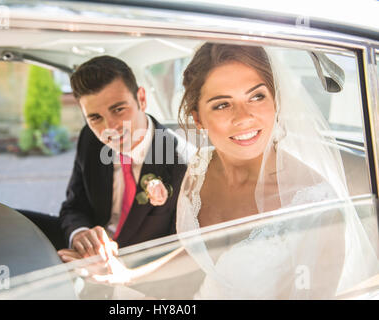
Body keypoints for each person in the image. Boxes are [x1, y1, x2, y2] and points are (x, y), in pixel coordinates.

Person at [78, 43, 378, 299]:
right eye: (222, 105)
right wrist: (127, 275)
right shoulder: (198, 169)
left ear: (276, 102)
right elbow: (199, 250)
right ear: (198, 117)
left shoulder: (317, 207)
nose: (244, 118)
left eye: (257, 96)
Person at [57, 55, 189, 263]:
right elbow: (74, 206)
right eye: (95, 118)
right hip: (86, 260)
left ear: (142, 99)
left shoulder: (182, 161)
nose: (109, 128)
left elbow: (180, 251)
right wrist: (80, 234)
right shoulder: (89, 140)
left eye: (118, 109)